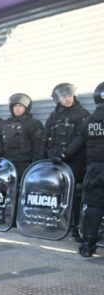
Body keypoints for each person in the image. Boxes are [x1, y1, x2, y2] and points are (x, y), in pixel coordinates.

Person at [43, 83, 90, 241]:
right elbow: (46, 137)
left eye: (69, 95)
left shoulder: (82, 113)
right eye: (64, 96)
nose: (67, 99)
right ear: (58, 99)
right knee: (55, 191)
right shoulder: (53, 116)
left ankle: (76, 228)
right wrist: (50, 154)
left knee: (76, 193)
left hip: (75, 161)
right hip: (56, 160)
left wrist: (65, 154)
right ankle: (55, 222)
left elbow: (81, 138)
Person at [0, 93, 44, 181]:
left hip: (25, 164)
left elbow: (39, 145)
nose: (17, 108)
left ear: (26, 108)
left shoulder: (34, 123)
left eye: (21, 106)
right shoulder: (4, 123)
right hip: (6, 163)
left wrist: (34, 164)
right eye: (15, 106)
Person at [77, 81, 104, 257]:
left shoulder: (89, 121)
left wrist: (60, 156)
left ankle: (87, 246)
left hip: (94, 169)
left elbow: (78, 142)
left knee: (93, 209)